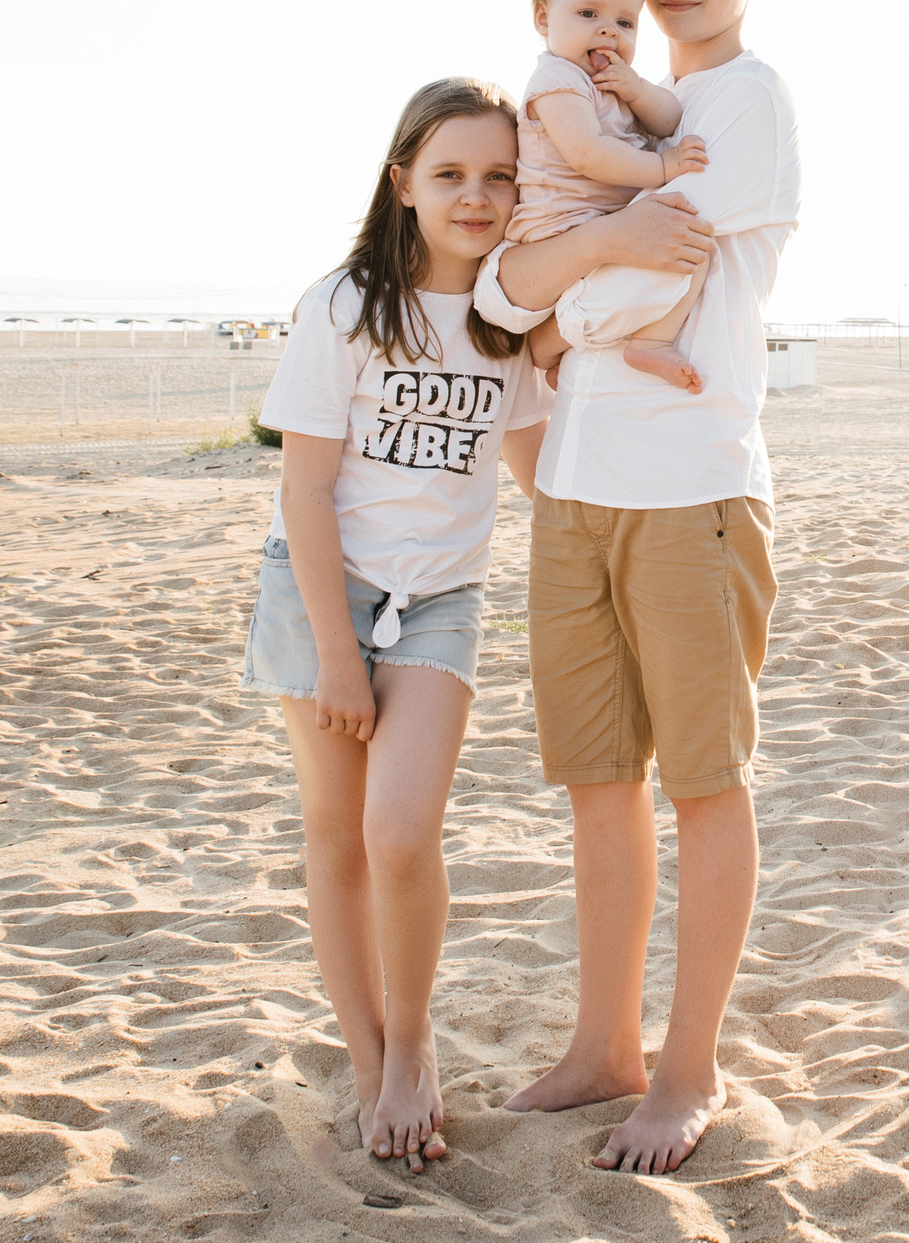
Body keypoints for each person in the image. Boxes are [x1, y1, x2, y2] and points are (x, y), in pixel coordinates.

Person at [472, 0, 798, 1176]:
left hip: (690, 485)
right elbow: (501, 289)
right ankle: (604, 1043)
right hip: (576, 486)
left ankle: (688, 1065)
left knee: (705, 784)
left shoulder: (744, 103)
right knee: (597, 782)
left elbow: (642, 261)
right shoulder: (602, 97)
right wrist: (548, 305)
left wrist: (554, 312)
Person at [237, 78, 558, 1168]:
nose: (477, 195)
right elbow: (304, 487)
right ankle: (369, 1057)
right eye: (450, 173)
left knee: (402, 830)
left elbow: (537, 466)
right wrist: (336, 650)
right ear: (403, 183)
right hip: (321, 591)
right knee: (336, 836)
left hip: (440, 602)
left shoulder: (510, 317)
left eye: (499, 175)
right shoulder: (344, 305)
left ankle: (414, 1039)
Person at [510, 0, 714, 393]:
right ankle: (579, 346)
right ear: (544, 18)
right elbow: (588, 154)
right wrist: (664, 169)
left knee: (690, 249)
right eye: (588, 14)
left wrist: (637, 89)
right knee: (676, 250)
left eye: (625, 22)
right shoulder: (558, 80)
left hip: (603, 221)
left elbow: (669, 118)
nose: (608, 32)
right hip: (562, 225)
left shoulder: (615, 82)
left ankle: (625, 345)